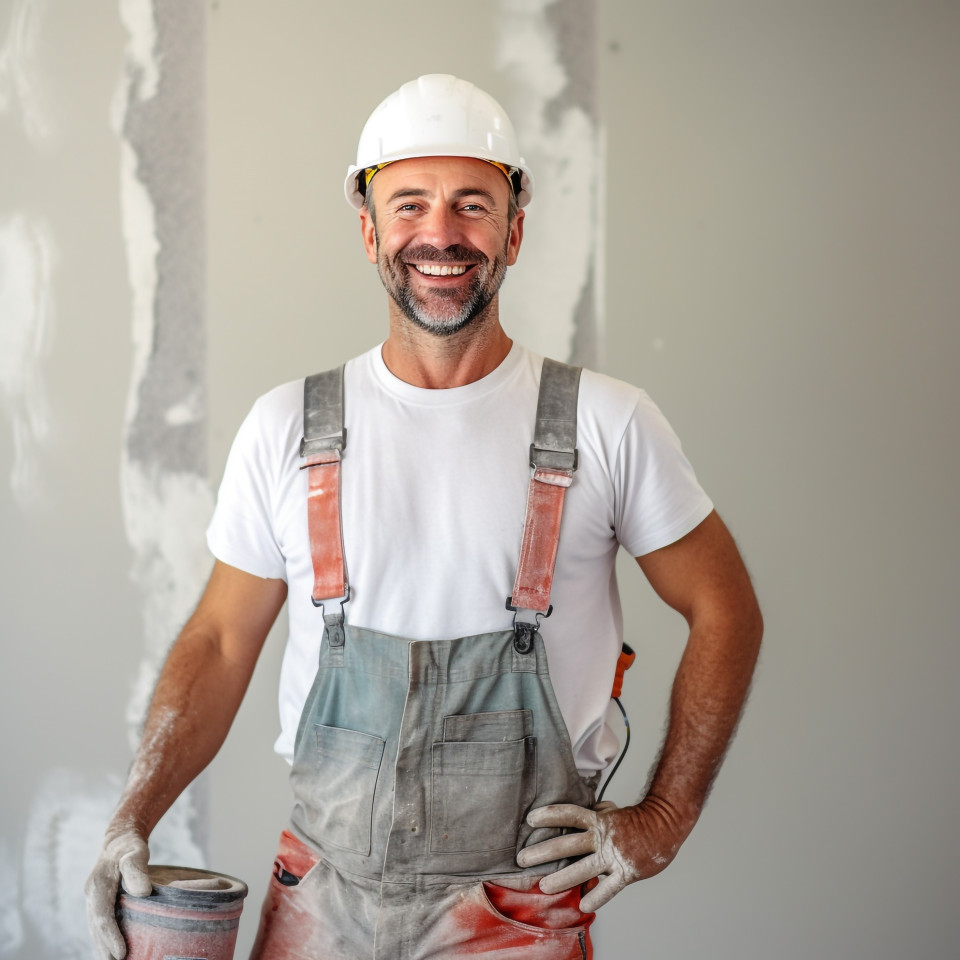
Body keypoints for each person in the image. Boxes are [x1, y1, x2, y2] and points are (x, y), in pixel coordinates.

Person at [86, 74, 762, 959]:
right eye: (409, 204)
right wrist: (132, 816)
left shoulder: (608, 424)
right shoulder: (287, 428)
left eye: (471, 205)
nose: (440, 234)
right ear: (370, 230)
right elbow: (218, 641)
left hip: (514, 916)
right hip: (317, 906)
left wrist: (665, 819)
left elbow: (726, 608)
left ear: (514, 231)